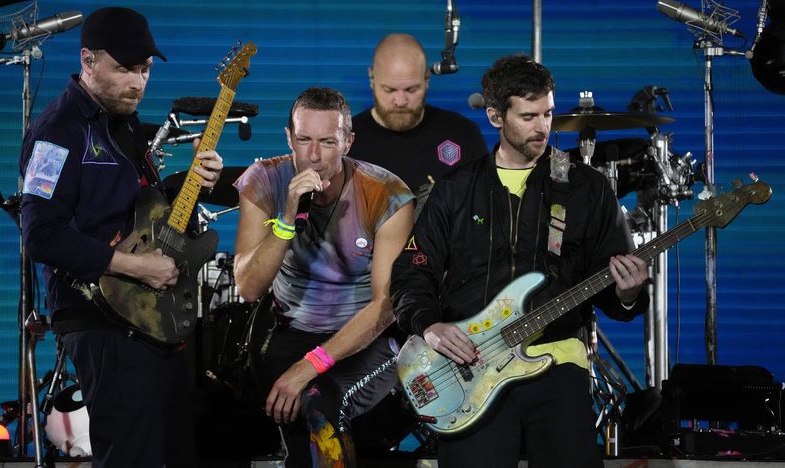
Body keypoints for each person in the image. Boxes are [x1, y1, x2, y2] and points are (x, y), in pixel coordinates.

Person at [390, 54, 650, 468]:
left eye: (547, 114)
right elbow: (411, 273)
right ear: (495, 116)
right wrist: (431, 326)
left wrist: (630, 291)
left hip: (558, 359)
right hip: (470, 366)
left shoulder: (587, 187)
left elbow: (617, 293)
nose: (543, 127)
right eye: (528, 116)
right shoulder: (455, 190)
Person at [19, 7, 223, 467]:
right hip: (99, 320)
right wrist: (137, 266)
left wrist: (194, 181)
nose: (138, 83)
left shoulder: (125, 123)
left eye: (145, 70)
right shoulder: (57, 132)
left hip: (150, 319)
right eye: (125, 69)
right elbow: (40, 235)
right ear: (88, 61)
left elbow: (138, 217)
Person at [232, 87, 414, 467]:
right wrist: (285, 219)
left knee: (322, 403)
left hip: (366, 336)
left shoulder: (387, 193)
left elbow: (386, 306)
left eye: (328, 142)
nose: (313, 156)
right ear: (288, 138)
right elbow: (248, 288)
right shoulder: (264, 180)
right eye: (304, 140)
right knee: (297, 441)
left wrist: (311, 364)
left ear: (348, 141)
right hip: (292, 330)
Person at [349, 33, 488, 197]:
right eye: (390, 90)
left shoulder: (463, 134)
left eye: (411, 89)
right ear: (372, 78)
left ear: (427, 79)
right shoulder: (346, 142)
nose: (400, 101)